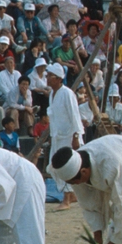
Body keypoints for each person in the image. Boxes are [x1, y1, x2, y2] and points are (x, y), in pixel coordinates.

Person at [45, 63, 83, 210]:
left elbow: (75, 115)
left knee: (65, 165)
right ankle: (71, 194)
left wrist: (76, 136)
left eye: (50, 76)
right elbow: (54, 118)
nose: (47, 78)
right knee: (53, 166)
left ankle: (66, 199)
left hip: (68, 137)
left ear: (58, 79)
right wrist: (51, 135)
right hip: (57, 137)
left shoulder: (67, 93)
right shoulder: (52, 95)